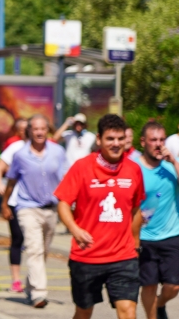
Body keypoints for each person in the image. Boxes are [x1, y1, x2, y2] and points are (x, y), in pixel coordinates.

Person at [55, 114, 144, 319]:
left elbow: (135, 208)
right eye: (110, 139)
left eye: (120, 138)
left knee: (128, 311)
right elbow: (63, 203)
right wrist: (75, 230)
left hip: (123, 256)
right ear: (99, 139)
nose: (116, 143)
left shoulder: (133, 170)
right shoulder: (82, 167)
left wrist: (135, 244)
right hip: (87, 255)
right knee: (84, 311)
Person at [2, 114, 67, 308]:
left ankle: (32, 287)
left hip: (51, 208)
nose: (39, 132)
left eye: (42, 129)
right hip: (27, 207)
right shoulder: (20, 155)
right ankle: (39, 294)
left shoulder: (58, 152)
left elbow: (66, 179)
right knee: (34, 249)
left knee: (43, 251)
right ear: (29, 131)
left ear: (48, 130)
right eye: (35, 129)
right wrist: (5, 204)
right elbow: (11, 181)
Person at [135, 121, 179, 319]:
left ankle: (160, 305)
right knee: (149, 285)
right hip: (145, 237)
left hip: (172, 235)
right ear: (143, 142)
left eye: (162, 139)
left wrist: (174, 162)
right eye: (153, 140)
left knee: (174, 286)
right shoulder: (134, 168)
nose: (158, 144)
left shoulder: (172, 165)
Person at [0, 127, 27, 293]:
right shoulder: (16, 148)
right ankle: (16, 280)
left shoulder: (48, 148)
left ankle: (35, 279)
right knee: (18, 239)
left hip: (38, 204)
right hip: (15, 201)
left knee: (37, 244)